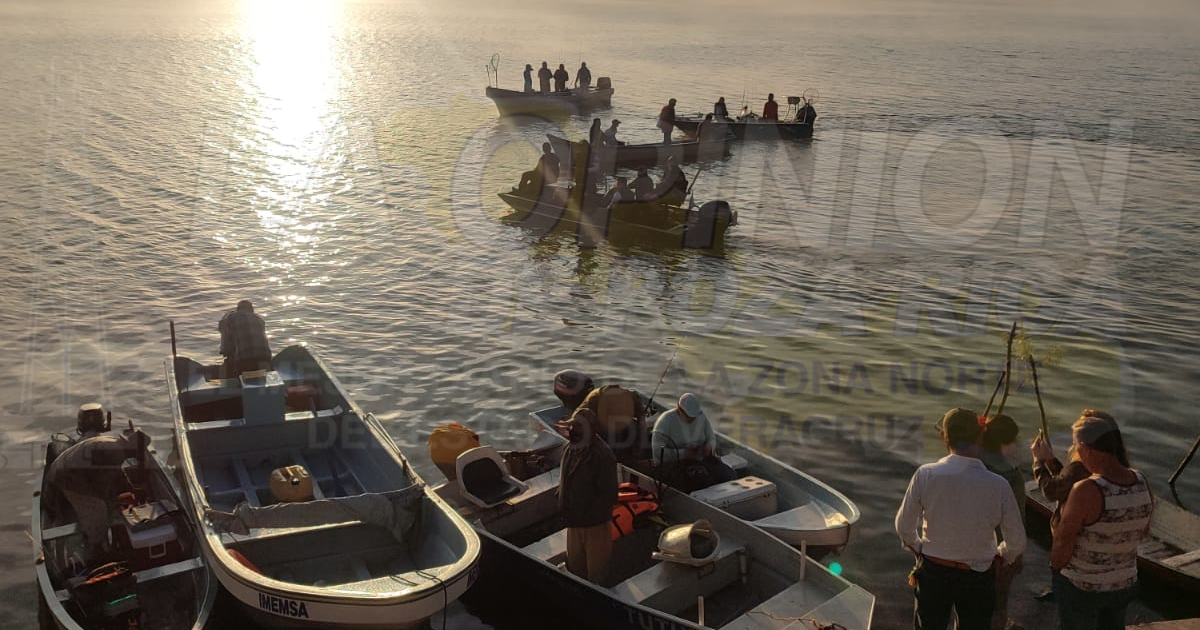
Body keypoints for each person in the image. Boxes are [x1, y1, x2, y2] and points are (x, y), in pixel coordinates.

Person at [895, 407, 1026, 630]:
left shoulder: (925, 474)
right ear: (980, 436)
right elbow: (1017, 542)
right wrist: (1000, 556)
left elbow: (904, 527)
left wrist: (920, 548)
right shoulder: (999, 485)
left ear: (943, 437)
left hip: (934, 571)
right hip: (977, 577)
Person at [1051, 412, 1152, 630]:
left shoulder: (1087, 489)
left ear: (1086, 449)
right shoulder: (1141, 480)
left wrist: (1056, 569)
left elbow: (1063, 542)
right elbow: (1142, 531)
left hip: (1084, 586)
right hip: (1124, 582)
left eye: (1076, 446)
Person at [46, 404, 146, 559]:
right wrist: (111, 502)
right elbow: (104, 482)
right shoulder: (115, 452)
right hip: (65, 475)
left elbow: (116, 474)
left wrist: (131, 488)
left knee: (103, 503)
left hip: (71, 469)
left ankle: (99, 541)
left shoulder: (115, 445)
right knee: (98, 508)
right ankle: (96, 550)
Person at [557, 408, 618, 583]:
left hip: (595, 527)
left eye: (577, 428)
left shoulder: (603, 455)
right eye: (572, 427)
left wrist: (589, 515)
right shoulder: (569, 448)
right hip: (574, 523)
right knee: (575, 569)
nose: (572, 431)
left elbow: (609, 494)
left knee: (597, 575)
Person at [980, 414, 1026, 630]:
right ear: (1002, 444)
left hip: (968, 550)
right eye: (1013, 441)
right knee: (997, 605)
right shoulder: (1011, 477)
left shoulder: (973, 465)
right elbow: (1017, 523)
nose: (1016, 445)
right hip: (998, 554)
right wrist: (1011, 557)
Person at [650, 393, 735, 491]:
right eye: (689, 416)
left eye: (695, 416)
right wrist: (684, 453)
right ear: (679, 410)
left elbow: (711, 437)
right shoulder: (665, 421)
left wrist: (709, 448)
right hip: (674, 464)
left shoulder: (701, 416)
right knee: (701, 480)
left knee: (729, 474)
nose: (692, 419)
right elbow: (657, 453)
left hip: (700, 459)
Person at [575, 383, 646, 463]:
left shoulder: (632, 396)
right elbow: (577, 418)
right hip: (599, 424)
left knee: (636, 428)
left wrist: (641, 438)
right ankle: (611, 460)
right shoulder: (593, 398)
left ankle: (636, 458)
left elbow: (641, 417)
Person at [219, 300, 272, 377]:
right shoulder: (260, 319)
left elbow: (225, 349)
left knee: (230, 368)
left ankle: (235, 383)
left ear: (238, 309)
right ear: (252, 310)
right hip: (266, 360)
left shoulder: (230, 318)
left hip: (245, 362)